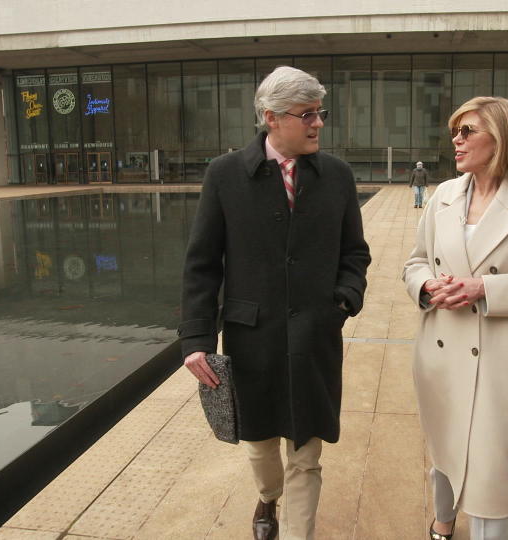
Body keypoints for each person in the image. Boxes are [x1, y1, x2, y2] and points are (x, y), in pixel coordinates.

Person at [180, 66, 371, 540]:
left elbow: (355, 253)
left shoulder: (337, 176)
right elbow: (203, 263)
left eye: (320, 112)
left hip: (315, 337)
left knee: (306, 453)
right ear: (271, 118)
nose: (318, 123)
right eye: (306, 114)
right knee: (259, 445)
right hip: (252, 338)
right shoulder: (224, 176)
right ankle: (267, 498)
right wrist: (196, 338)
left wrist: (343, 300)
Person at [402, 96, 508, 540]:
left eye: (467, 131)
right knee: (444, 445)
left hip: (498, 360)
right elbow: (416, 262)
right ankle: (443, 520)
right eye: (455, 131)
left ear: (501, 138)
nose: (455, 140)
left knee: (491, 468)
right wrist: (425, 286)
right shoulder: (443, 195)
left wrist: (485, 289)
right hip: (439, 353)